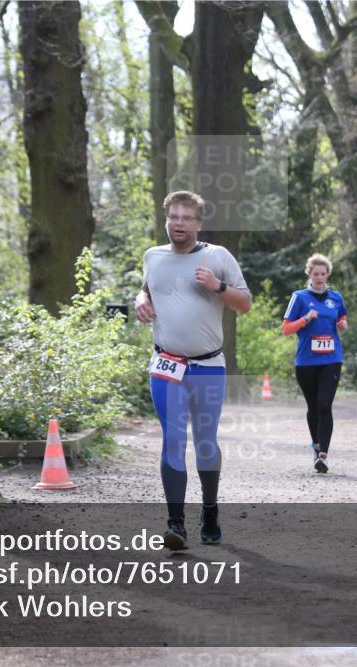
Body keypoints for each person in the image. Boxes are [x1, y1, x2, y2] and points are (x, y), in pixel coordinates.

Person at [135, 190, 252, 550]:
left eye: (186, 218)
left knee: (204, 443)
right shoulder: (153, 256)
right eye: (173, 217)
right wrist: (141, 299)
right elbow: (147, 288)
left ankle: (210, 509)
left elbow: (245, 303)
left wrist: (217, 286)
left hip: (208, 367)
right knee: (172, 440)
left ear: (198, 224)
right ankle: (175, 524)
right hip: (166, 364)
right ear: (166, 219)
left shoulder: (218, 257)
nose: (179, 224)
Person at [281, 254, 348, 473]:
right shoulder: (299, 297)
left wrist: (342, 324)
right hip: (306, 361)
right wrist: (306, 319)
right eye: (315, 273)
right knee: (313, 407)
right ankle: (316, 444)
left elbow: (341, 318)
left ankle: (323, 455)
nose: (320, 277)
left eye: (323, 273)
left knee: (324, 405)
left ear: (328, 274)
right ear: (309, 274)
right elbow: (286, 329)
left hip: (331, 359)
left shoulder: (336, 297)